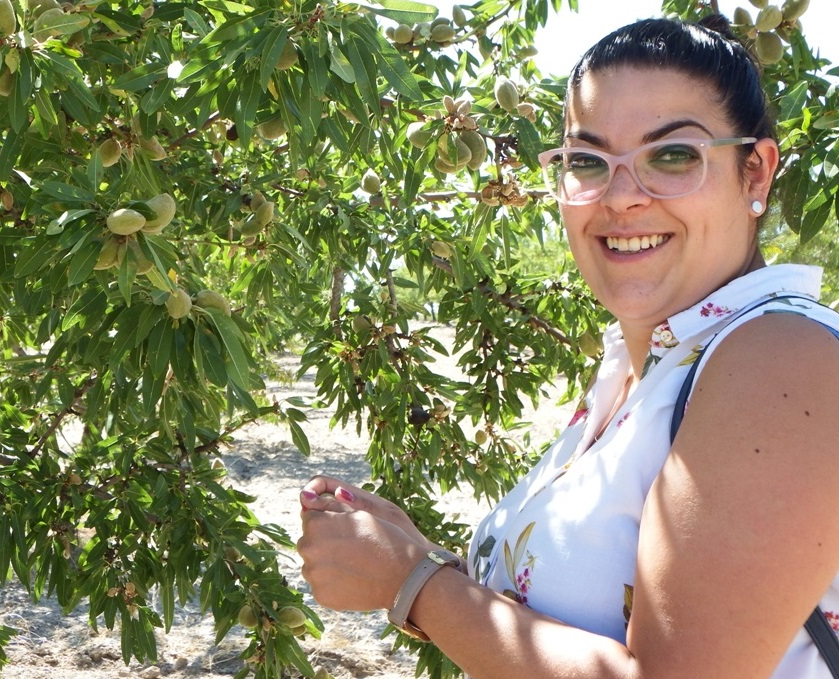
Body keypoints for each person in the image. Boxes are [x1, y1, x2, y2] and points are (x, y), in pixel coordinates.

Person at [296, 15, 839, 678]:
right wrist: (412, 556)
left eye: (671, 156)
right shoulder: (642, 368)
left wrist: (414, 583)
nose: (619, 197)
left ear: (753, 173)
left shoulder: (779, 358)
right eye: (586, 161)